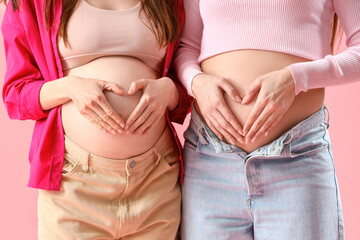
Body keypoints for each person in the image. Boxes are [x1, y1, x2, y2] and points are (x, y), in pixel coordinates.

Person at [1, 0, 190, 239]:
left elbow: (190, 81)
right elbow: (15, 94)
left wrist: (171, 92)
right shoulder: (34, 3)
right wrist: (69, 88)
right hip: (74, 185)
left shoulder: (171, 3)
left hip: (155, 181)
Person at [174, 0, 360, 239]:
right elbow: (187, 48)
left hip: (297, 162)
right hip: (210, 160)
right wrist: (196, 82)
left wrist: (295, 78)